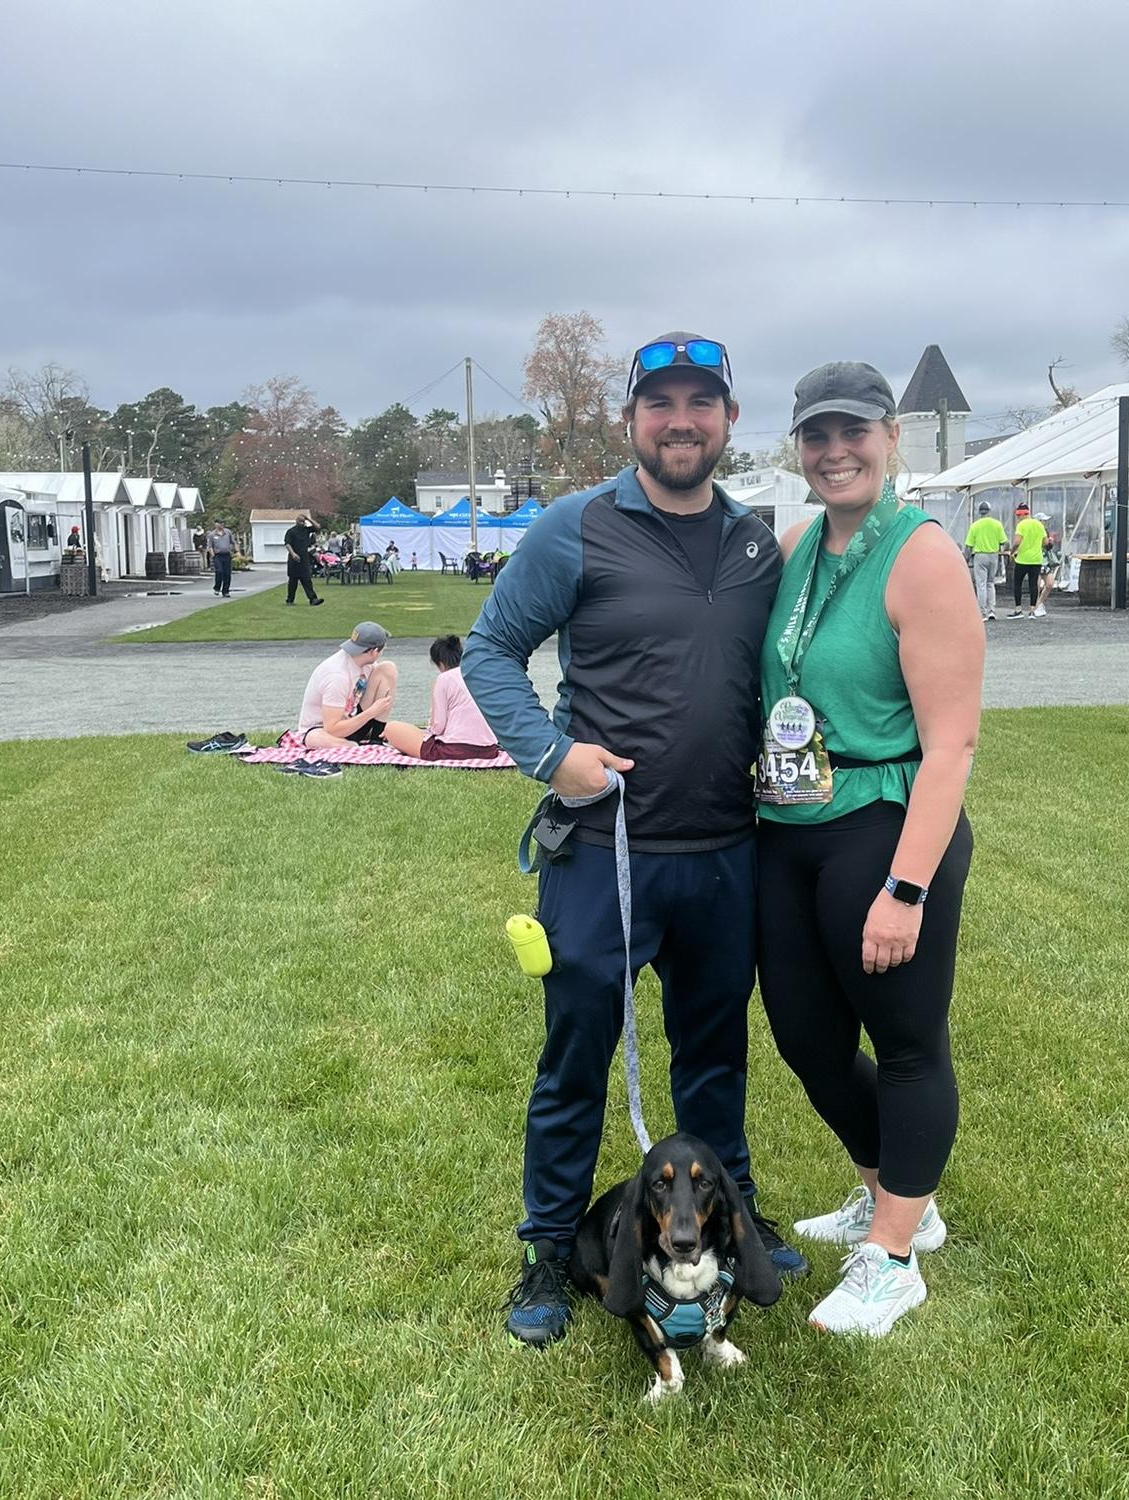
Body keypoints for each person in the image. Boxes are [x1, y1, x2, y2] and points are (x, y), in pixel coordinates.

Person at [463, 330, 808, 1346]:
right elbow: (490, 649)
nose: (681, 422)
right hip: (602, 854)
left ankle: (732, 1221)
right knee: (577, 1054)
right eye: (661, 404)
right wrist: (550, 753)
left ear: (729, 420)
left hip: (724, 854)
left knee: (715, 1056)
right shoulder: (575, 527)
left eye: (701, 403)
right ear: (631, 420)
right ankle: (546, 1246)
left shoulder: (756, 545)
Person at [756, 361, 981, 1337]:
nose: (835, 450)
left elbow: (952, 744)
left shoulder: (921, 556)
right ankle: (890, 1192)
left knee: (905, 1043)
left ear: (891, 437)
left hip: (883, 821)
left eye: (854, 431)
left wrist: (906, 886)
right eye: (817, 435)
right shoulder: (798, 545)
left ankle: (893, 1257)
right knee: (806, 1039)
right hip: (789, 819)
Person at [294, 622, 423, 750]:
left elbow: (381, 684)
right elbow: (332, 729)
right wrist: (371, 712)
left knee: (388, 668)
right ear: (374, 651)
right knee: (313, 738)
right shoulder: (337, 676)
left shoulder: (365, 663)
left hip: (353, 720)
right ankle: (353, 746)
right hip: (325, 730)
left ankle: (377, 738)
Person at [382, 635, 504, 762]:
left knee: (391, 728)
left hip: (454, 750)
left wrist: (430, 729)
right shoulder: (482, 675)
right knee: (414, 732)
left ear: (440, 663)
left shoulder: (444, 678)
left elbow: (438, 726)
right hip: (489, 750)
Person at [962, 500, 1007, 621]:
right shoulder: (997, 524)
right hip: (993, 556)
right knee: (990, 583)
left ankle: (982, 613)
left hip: (980, 556)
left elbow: (969, 546)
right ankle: (992, 610)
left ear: (979, 512)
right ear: (989, 511)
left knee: (981, 584)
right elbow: (1004, 542)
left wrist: (965, 559)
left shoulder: (975, 525)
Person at [1009, 503, 1046, 618]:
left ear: (1020, 514)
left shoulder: (1021, 525)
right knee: (1033, 585)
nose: (1018, 518)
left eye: (1018, 516)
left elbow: (1017, 542)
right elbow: (1045, 542)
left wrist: (1012, 552)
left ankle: (1018, 609)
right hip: (1036, 559)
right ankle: (1032, 611)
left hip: (1022, 559)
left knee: (1018, 584)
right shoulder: (1039, 524)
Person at [283, 513, 324, 607]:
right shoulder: (291, 531)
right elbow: (287, 544)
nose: (302, 523)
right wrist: (293, 554)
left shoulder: (306, 530)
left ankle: (313, 599)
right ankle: (290, 600)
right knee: (293, 581)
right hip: (294, 559)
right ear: (296, 521)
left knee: (307, 580)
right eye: (300, 521)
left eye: (303, 521)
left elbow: (318, 527)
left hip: (304, 558)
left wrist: (308, 519)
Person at [1033, 512, 1059, 617]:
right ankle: (1035, 606)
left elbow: (1047, 547)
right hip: (1036, 560)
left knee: (1049, 584)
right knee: (1036, 585)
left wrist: (1050, 543)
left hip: (1046, 561)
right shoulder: (1033, 532)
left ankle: (1039, 603)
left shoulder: (1046, 531)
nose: (1045, 523)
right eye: (1043, 521)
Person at [208, 520, 236, 598]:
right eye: (219, 524)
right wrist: (213, 555)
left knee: (227, 574)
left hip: (227, 555)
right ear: (215, 524)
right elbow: (210, 546)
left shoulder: (228, 532)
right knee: (219, 571)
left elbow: (233, 542)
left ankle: (225, 591)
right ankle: (217, 587)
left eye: (221, 523)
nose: (220, 525)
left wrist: (236, 551)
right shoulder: (212, 534)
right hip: (218, 556)